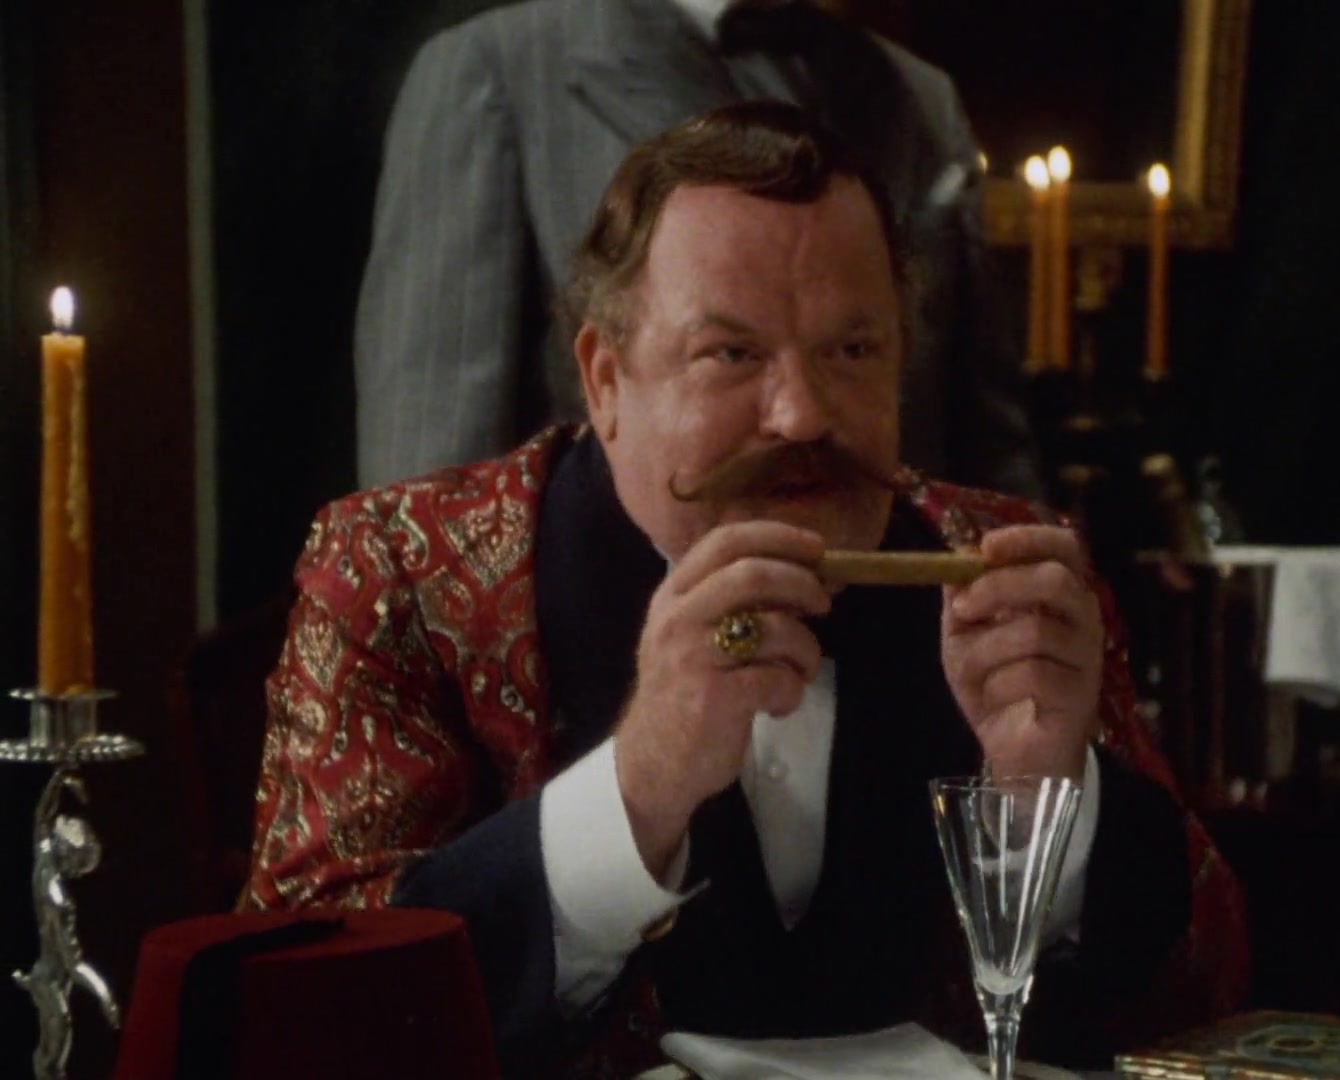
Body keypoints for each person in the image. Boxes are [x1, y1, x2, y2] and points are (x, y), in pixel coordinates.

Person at [250, 103, 1244, 1079]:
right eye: (732, 354)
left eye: (852, 350)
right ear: (605, 379)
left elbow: (1214, 994)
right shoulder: (397, 573)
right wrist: (635, 789)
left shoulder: (1005, 569)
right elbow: (297, 1013)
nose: (802, 415)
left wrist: (1047, 808)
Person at [355, 0, 1040, 500]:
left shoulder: (920, 98)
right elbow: (426, 486)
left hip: (890, 636)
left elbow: (987, 448)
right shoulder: (500, 71)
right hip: (608, 638)